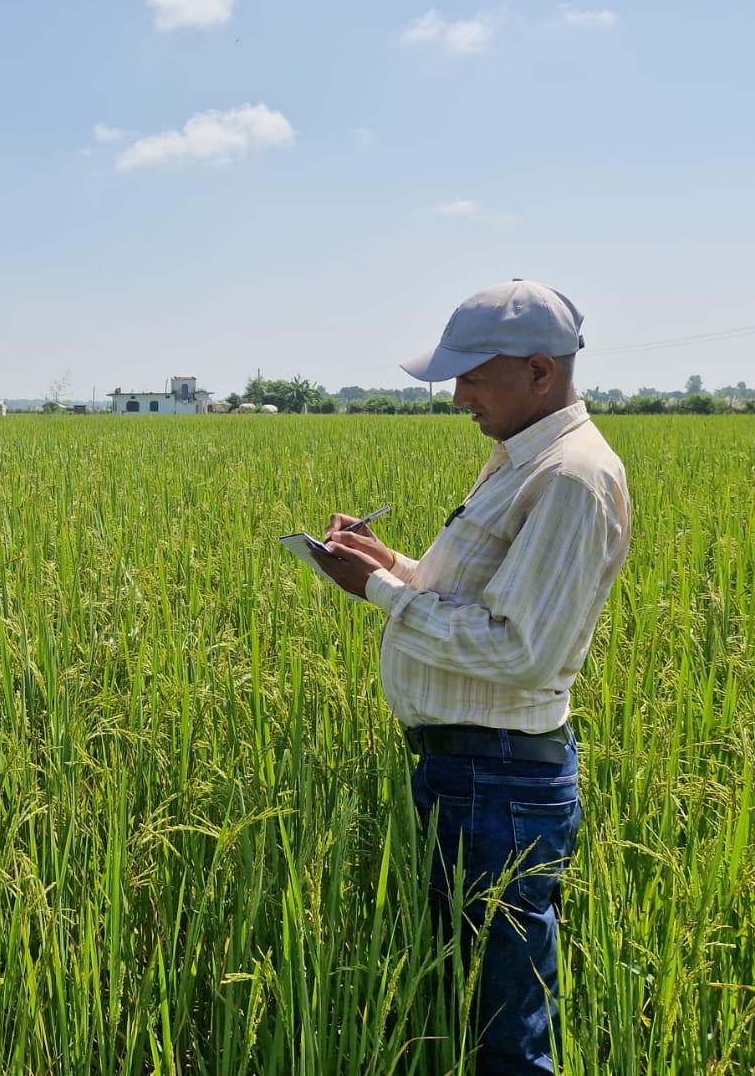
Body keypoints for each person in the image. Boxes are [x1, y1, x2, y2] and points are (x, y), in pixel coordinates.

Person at [313, 280, 630, 1075]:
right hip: (470, 773)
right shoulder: (518, 459)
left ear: (537, 372)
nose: (456, 397)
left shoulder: (567, 476)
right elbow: (479, 599)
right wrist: (389, 564)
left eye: (470, 377)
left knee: (502, 1032)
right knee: (463, 999)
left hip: (499, 786)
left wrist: (378, 594)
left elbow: (520, 649)